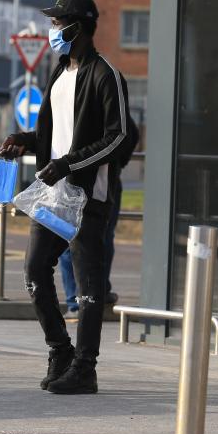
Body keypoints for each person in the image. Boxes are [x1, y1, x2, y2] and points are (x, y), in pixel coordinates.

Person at [0, 0, 130, 395]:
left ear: (78, 26)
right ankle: (60, 350)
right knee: (36, 271)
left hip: (89, 196)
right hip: (53, 194)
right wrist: (25, 140)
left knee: (89, 284)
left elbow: (120, 137)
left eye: (58, 23)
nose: (53, 29)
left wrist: (69, 164)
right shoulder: (59, 72)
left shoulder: (105, 74)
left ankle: (85, 368)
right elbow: (53, 133)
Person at [58, 97, 139, 312]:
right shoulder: (113, 106)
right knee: (102, 238)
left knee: (69, 239)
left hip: (72, 180)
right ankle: (97, 294)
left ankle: (76, 301)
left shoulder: (75, 106)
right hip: (107, 182)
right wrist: (117, 164)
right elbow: (131, 135)